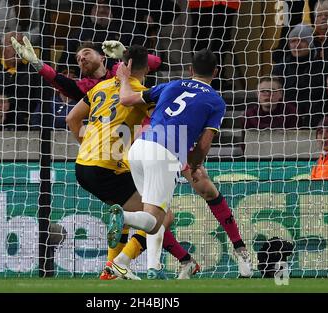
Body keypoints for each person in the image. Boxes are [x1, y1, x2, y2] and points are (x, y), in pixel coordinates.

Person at [107, 49, 253, 279]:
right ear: (217, 72)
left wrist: (123, 77)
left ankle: (129, 262)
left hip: (140, 146)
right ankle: (152, 263)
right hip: (169, 152)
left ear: (190, 70)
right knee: (156, 219)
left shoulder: (171, 85)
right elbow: (204, 144)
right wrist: (195, 164)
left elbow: (126, 98)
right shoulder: (216, 101)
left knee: (181, 203)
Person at [66, 45, 200, 280]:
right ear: (147, 68)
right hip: (107, 167)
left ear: (121, 65)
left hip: (83, 165)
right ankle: (118, 264)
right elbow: (165, 124)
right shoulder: (140, 93)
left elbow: (72, 118)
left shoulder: (101, 86)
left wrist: (87, 144)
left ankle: (114, 269)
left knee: (132, 213)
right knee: (162, 216)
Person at [10, 37, 162, 103]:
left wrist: (125, 54)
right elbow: (58, 79)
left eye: (87, 53)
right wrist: (36, 62)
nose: (81, 58)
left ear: (102, 57)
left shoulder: (120, 68)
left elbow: (156, 62)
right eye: (78, 58)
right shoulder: (85, 87)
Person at [0, 32, 42, 127]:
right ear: (2, 48)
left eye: (21, 44)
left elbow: (39, 102)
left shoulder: (34, 69)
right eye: (12, 44)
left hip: (23, 123)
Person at [272, 23, 328, 127]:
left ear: (310, 43)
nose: (297, 45)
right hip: (287, 120)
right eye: (293, 41)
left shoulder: (324, 67)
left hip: (317, 121)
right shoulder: (280, 68)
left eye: (301, 40)